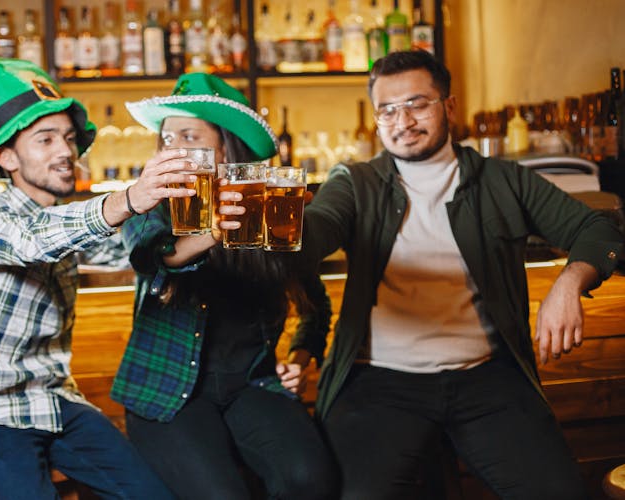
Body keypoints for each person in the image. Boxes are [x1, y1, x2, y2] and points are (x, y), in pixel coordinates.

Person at [294, 50, 624, 499]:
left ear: (449, 106)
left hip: (486, 379)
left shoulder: (503, 180)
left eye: (417, 103)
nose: (402, 120)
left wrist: (570, 283)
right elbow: (318, 230)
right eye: (387, 110)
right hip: (380, 382)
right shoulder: (354, 183)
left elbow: (597, 226)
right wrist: (282, 231)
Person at [0, 57, 196, 499]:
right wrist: (129, 198)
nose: (65, 151)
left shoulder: (63, 220)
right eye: (46, 139)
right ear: (7, 156)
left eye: (69, 139)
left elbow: (142, 255)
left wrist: (212, 233)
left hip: (54, 402)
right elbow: (34, 240)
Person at [110, 72, 339, 500]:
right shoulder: (149, 201)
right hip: (165, 392)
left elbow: (314, 305)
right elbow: (155, 257)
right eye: (167, 138)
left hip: (252, 385)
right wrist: (215, 230)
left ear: (226, 147)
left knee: (310, 478)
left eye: (189, 136)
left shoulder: (268, 205)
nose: (173, 148)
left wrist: (300, 359)